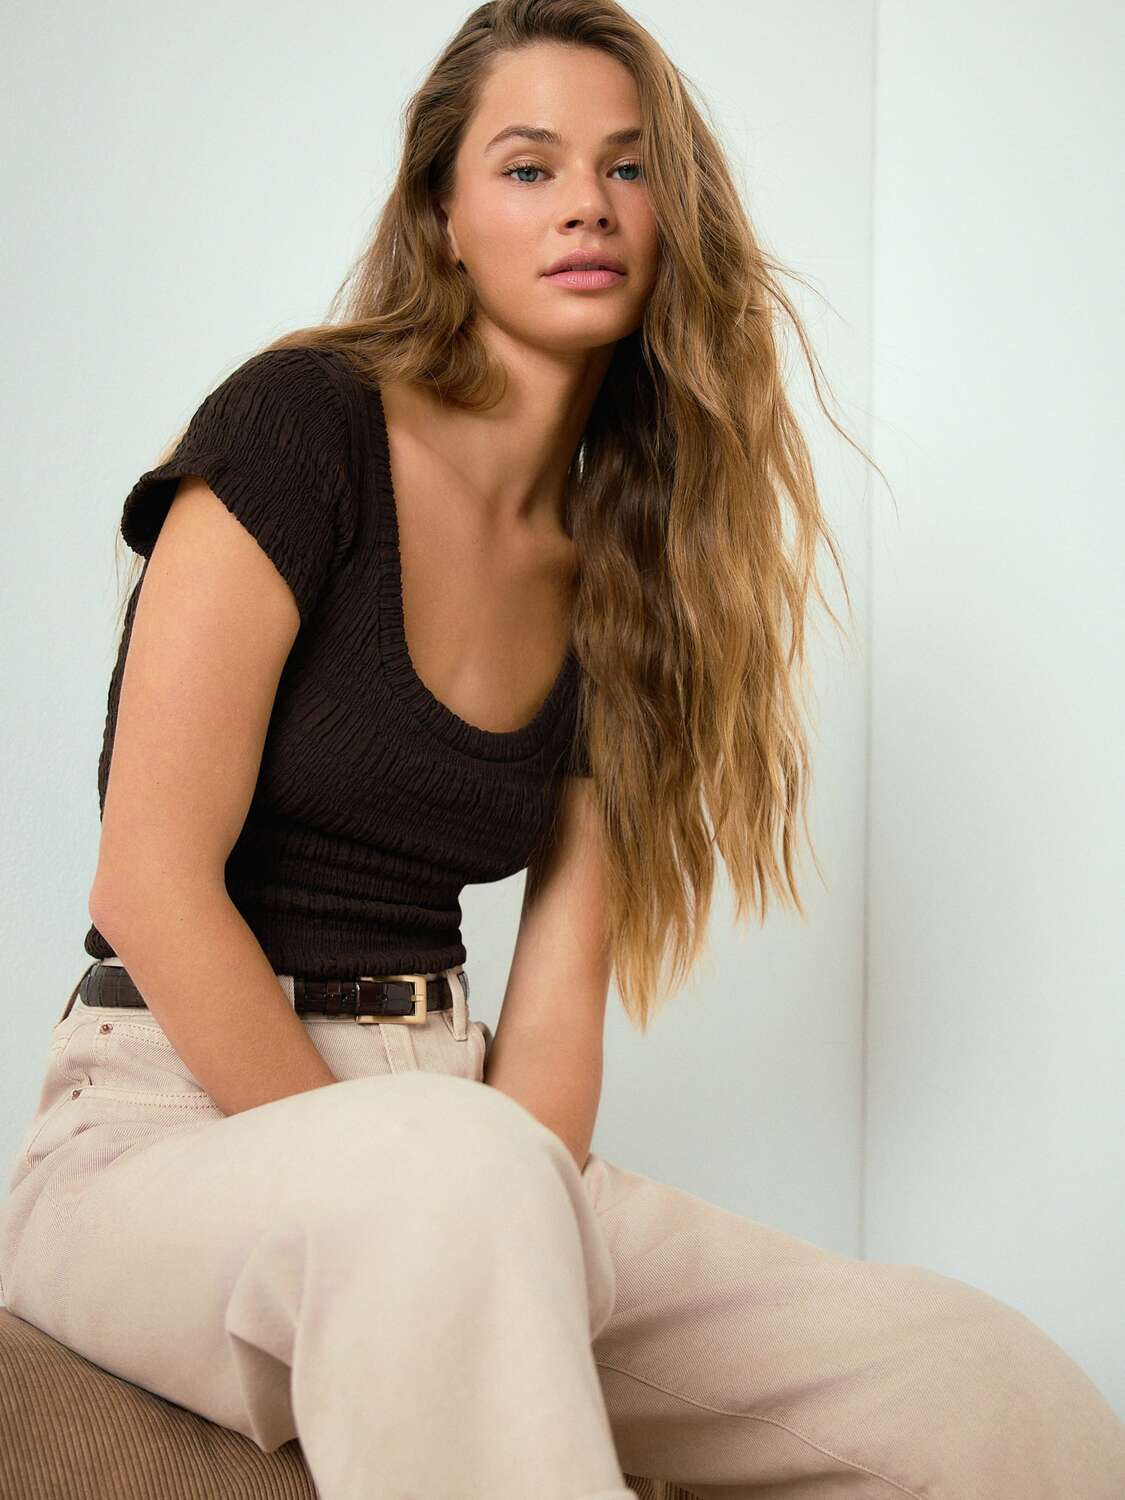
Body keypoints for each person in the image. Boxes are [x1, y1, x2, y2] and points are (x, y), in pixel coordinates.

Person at [3, 2, 1124, 1497]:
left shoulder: (625, 573)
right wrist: (425, 1182)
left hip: (461, 1137)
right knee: (451, 1180)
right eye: (529, 167)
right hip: (159, 1131)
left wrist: (488, 1191)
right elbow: (147, 881)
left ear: (671, 219)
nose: (588, 202)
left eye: (628, 166)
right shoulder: (297, 427)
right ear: (443, 218)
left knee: (983, 1389)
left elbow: (546, 1042)